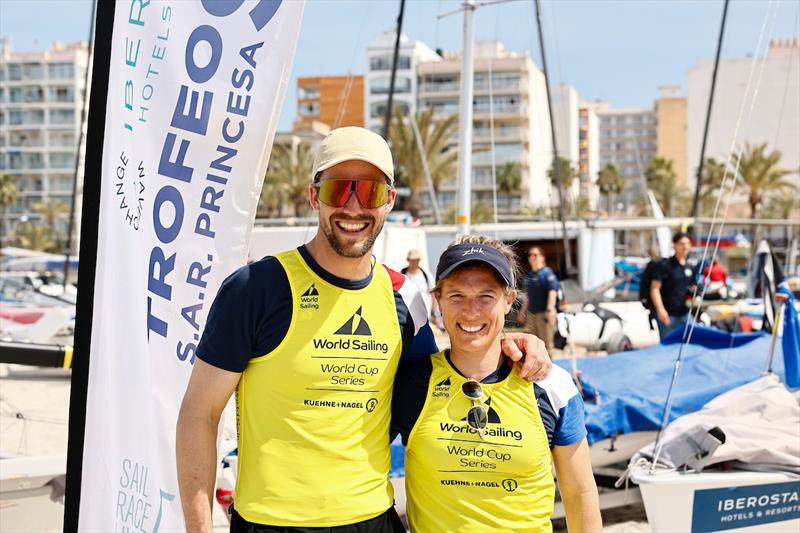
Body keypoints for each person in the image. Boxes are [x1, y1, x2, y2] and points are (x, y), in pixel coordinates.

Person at [176, 127, 553, 533]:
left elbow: (448, 378)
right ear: (313, 196)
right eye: (339, 190)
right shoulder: (257, 289)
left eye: (370, 192)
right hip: (271, 524)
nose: (353, 207)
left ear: (389, 200)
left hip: (373, 521)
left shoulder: (404, 297)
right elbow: (199, 413)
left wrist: (516, 342)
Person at [392, 235, 601, 532]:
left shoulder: (550, 384)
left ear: (508, 301)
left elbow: (580, 493)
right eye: (456, 296)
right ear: (437, 300)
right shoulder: (413, 382)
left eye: (486, 297)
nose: (471, 310)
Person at [650, 232, 695, 339]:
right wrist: (661, 310)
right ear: (674, 245)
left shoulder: (690, 267)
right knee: (668, 346)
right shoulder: (664, 265)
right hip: (668, 314)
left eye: (688, 244)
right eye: (682, 244)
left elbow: (691, 288)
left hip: (684, 313)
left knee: (690, 342)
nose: (685, 247)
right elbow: (655, 289)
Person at [518, 246, 560, 353]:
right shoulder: (530, 276)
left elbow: (552, 291)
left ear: (542, 257)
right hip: (532, 314)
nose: (532, 257)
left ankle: (549, 368)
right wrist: (522, 312)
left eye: (535, 255)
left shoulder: (546, 273)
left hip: (544, 313)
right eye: (530, 255)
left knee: (546, 344)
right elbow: (528, 296)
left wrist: (550, 310)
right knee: (533, 344)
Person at [401, 248, 443, 329]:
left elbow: (433, 294)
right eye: (413, 260)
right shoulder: (402, 275)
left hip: (424, 314)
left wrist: (433, 313)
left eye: (417, 260)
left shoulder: (426, 275)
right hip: (406, 315)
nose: (415, 262)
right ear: (408, 260)